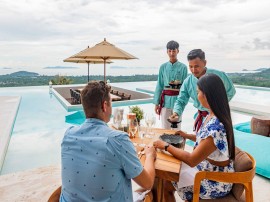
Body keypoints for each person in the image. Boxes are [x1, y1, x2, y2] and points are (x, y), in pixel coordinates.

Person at [60, 81, 156, 202]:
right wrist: (150, 155)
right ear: (105, 105)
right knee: (151, 192)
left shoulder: (68, 135)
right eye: (111, 103)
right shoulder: (118, 140)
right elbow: (147, 183)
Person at [153, 74, 235, 201]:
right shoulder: (212, 115)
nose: (197, 96)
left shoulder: (216, 127)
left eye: (198, 92)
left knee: (166, 183)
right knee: (168, 174)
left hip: (216, 180)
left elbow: (192, 160)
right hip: (209, 168)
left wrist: (165, 146)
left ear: (207, 95)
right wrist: (187, 136)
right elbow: (205, 140)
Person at [171, 49, 236, 132]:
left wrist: (216, 107)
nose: (194, 70)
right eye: (191, 66)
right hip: (201, 118)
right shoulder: (188, 81)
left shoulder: (219, 75)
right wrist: (176, 113)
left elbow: (231, 91)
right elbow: (181, 100)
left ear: (204, 63)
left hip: (219, 116)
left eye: (196, 66)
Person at [153, 40, 188, 129]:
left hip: (178, 102)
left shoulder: (183, 67)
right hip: (165, 102)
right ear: (167, 51)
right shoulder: (163, 67)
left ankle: (177, 143)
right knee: (165, 127)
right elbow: (159, 85)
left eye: (174, 51)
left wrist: (182, 104)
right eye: (170, 51)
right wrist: (156, 103)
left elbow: (184, 87)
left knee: (177, 128)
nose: (172, 53)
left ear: (178, 51)